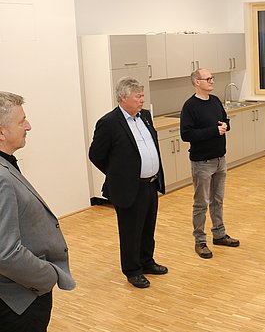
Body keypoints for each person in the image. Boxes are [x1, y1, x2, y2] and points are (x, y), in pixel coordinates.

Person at [0, 92, 76, 331]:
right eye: (21, 121)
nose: (28, 126)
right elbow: (5, 253)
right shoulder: (1, 178)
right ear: (1, 132)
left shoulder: (6, 165)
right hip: (20, 301)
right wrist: (48, 276)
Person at [89, 77, 167, 289]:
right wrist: (119, 174)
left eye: (142, 95)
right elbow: (96, 155)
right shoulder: (109, 123)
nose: (142, 100)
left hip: (150, 184)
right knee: (131, 231)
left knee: (148, 227)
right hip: (129, 188)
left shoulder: (145, 116)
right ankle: (133, 270)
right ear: (123, 98)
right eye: (137, 96)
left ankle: (147, 261)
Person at [180, 69, 239, 260]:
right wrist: (214, 130)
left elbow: (224, 120)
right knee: (201, 203)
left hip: (220, 159)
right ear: (197, 82)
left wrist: (225, 126)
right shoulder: (190, 106)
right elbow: (186, 134)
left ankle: (219, 234)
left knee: (217, 200)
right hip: (202, 163)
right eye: (208, 79)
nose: (212, 81)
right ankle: (200, 241)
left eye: (212, 78)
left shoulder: (215, 101)